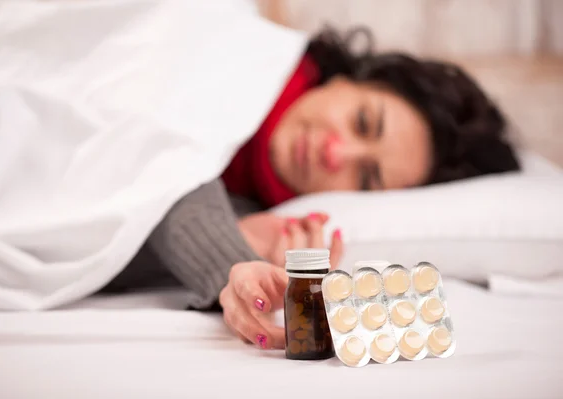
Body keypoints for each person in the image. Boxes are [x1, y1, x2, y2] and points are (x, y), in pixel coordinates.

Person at [102, 27, 521, 350]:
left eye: (365, 178)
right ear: (347, 79)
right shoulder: (237, 54)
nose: (336, 154)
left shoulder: (256, 212)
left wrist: (240, 237)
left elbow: (98, 235)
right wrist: (228, 258)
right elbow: (163, 155)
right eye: (362, 122)